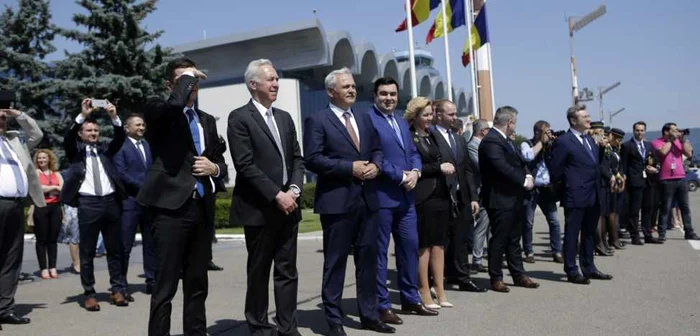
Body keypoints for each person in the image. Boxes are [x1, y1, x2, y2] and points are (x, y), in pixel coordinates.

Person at [138, 57, 227, 335]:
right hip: (169, 211)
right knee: (165, 287)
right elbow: (174, 107)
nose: (191, 86)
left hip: (201, 209)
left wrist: (214, 169)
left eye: (194, 81)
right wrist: (187, 77)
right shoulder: (157, 110)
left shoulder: (207, 121)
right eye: (183, 81)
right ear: (170, 85)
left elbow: (219, 162)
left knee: (197, 284)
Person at [303, 68, 394, 335]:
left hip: (368, 201)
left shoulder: (364, 119)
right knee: (336, 263)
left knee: (368, 261)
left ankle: (369, 315)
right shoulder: (317, 120)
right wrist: (349, 168)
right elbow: (313, 159)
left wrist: (376, 167)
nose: (353, 90)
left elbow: (377, 150)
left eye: (353, 86)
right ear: (331, 91)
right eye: (346, 87)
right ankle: (333, 321)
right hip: (337, 203)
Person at [227, 59, 305, 336]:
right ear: (253, 84)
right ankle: (259, 327)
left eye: (276, 79)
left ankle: (288, 327)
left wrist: (294, 190)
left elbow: (297, 158)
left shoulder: (284, 117)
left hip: (289, 207)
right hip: (259, 209)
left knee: (287, 271)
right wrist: (276, 195)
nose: (276, 84)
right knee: (259, 271)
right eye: (270, 79)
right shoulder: (239, 118)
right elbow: (245, 165)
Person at [367, 78, 437, 325]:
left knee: (409, 247)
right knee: (380, 254)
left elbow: (414, 152)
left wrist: (416, 172)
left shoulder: (399, 121)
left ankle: (410, 298)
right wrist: (401, 175)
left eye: (393, 94)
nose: (389, 98)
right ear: (375, 95)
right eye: (384, 94)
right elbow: (373, 157)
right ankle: (382, 305)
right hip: (382, 196)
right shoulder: (368, 121)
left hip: (407, 197)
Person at [62, 98, 128, 310]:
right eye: (88, 130)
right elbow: (68, 137)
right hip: (88, 203)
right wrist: (82, 114)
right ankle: (89, 293)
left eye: (95, 131)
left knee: (114, 249)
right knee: (88, 251)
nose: (92, 133)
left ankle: (117, 290)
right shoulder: (76, 152)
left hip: (110, 202)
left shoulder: (106, 150)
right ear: (82, 134)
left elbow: (120, 137)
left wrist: (114, 116)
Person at [549, 105, 613, 285]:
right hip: (575, 195)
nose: (588, 119)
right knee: (572, 234)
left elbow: (595, 165)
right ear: (573, 120)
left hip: (593, 194)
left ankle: (589, 267)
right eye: (584, 116)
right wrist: (567, 190)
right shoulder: (564, 141)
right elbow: (556, 171)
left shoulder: (590, 140)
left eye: (588, 115)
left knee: (590, 233)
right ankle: (571, 269)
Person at [478, 106, 539, 293]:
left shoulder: (507, 141)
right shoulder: (491, 141)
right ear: (510, 123)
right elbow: (501, 167)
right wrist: (523, 181)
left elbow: (520, 162)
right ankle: (496, 277)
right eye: (515, 123)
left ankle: (518, 274)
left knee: (514, 238)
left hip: (514, 197)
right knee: (499, 239)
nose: (515, 127)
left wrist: (528, 175)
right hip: (499, 198)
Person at [431, 100, 486, 293]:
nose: (455, 118)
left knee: (461, 239)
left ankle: (462, 277)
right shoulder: (431, 136)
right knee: (440, 240)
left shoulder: (459, 139)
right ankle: (437, 278)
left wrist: (473, 197)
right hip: (440, 196)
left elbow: (468, 170)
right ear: (439, 115)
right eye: (451, 114)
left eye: (455, 114)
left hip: (461, 198)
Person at [405, 97, 454, 308]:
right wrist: (439, 168)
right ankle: (423, 289)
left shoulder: (433, 134)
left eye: (430, 114)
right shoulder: (409, 136)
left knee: (439, 246)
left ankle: (439, 290)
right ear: (414, 116)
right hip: (422, 197)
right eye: (425, 115)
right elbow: (413, 167)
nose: (429, 118)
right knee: (423, 247)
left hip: (441, 195)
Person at [0, 107, 44, 328]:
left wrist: (16, 114)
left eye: (3, 118)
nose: (1, 120)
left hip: (16, 205)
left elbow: (37, 134)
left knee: (11, 258)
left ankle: (5, 308)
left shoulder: (14, 140)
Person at [112, 113, 156, 299]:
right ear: (127, 128)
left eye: (143, 125)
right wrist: (144, 187)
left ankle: (152, 281)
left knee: (151, 244)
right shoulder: (121, 146)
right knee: (124, 245)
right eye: (137, 125)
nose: (141, 128)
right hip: (130, 202)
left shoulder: (147, 145)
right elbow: (121, 173)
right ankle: (121, 284)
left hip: (149, 202)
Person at [519, 121, 563, 264]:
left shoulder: (550, 146)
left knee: (555, 222)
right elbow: (528, 156)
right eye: (546, 132)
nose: (549, 135)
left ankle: (557, 251)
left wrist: (554, 143)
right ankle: (529, 251)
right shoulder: (527, 143)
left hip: (546, 189)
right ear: (538, 132)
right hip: (531, 189)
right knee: (528, 222)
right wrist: (541, 143)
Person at [652, 123, 700, 240]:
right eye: (674, 130)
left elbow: (688, 154)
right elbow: (663, 152)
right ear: (666, 132)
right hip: (666, 179)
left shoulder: (678, 141)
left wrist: (682, 140)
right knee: (665, 207)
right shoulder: (657, 142)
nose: (677, 131)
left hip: (681, 178)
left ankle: (689, 231)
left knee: (685, 207)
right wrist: (672, 139)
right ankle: (662, 233)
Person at [619, 121, 663, 245]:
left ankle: (647, 234)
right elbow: (624, 165)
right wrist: (624, 180)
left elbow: (655, 161)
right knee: (634, 210)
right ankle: (635, 236)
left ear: (645, 131)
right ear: (634, 131)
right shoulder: (627, 146)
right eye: (637, 130)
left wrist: (655, 169)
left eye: (642, 130)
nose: (640, 133)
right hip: (634, 182)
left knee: (648, 209)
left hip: (648, 181)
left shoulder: (649, 145)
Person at [33, 149, 64, 279]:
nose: (42, 160)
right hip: (41, 207)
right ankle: (43, 268)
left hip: (55, 208)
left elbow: (63, 189)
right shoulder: (35, 173)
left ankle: (52, 267)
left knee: (52, 240)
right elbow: (37, 188)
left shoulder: (56, 174)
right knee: (41, 240)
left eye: (44, 158)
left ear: (49, 159)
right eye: (39, 158)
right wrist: (54, 188)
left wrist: (53, 189)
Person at [467, 118, 490, 273]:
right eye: (488, 129)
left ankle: (491, 256)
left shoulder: (482, 145)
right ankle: (477, 259)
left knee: (489, 226)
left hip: (488, 190)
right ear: (483, 131)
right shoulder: (472, 146)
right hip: (480, 191)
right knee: (481, 226)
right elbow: (481, 167)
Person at [605, 128, 627, 250]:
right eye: (617, 139)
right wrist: (615, 176)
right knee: (610, 213)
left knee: (616, 211)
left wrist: (622, 176)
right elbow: (608, 166)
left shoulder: (615, 149)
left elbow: (620, 165)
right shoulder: (607, 149)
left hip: (617, 182)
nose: (619, 142)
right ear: (611, 136)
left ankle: (614, 237)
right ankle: (613, 238)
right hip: (609, 184)